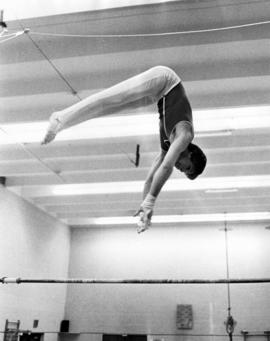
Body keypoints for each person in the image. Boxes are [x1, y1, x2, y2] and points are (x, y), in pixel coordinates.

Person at [42, 66, 207, 233]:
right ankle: (59, 117)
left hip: (157, 95)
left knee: (107, 109)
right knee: (111, 98)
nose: (180, 168)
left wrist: (145, 209)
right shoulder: (185, 135)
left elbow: (149, 180)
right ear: (191, 154)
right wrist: (151, 201)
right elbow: (166, 167)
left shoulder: (167, 146)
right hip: (165, 80)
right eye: (186, 167)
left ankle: (61, 124)